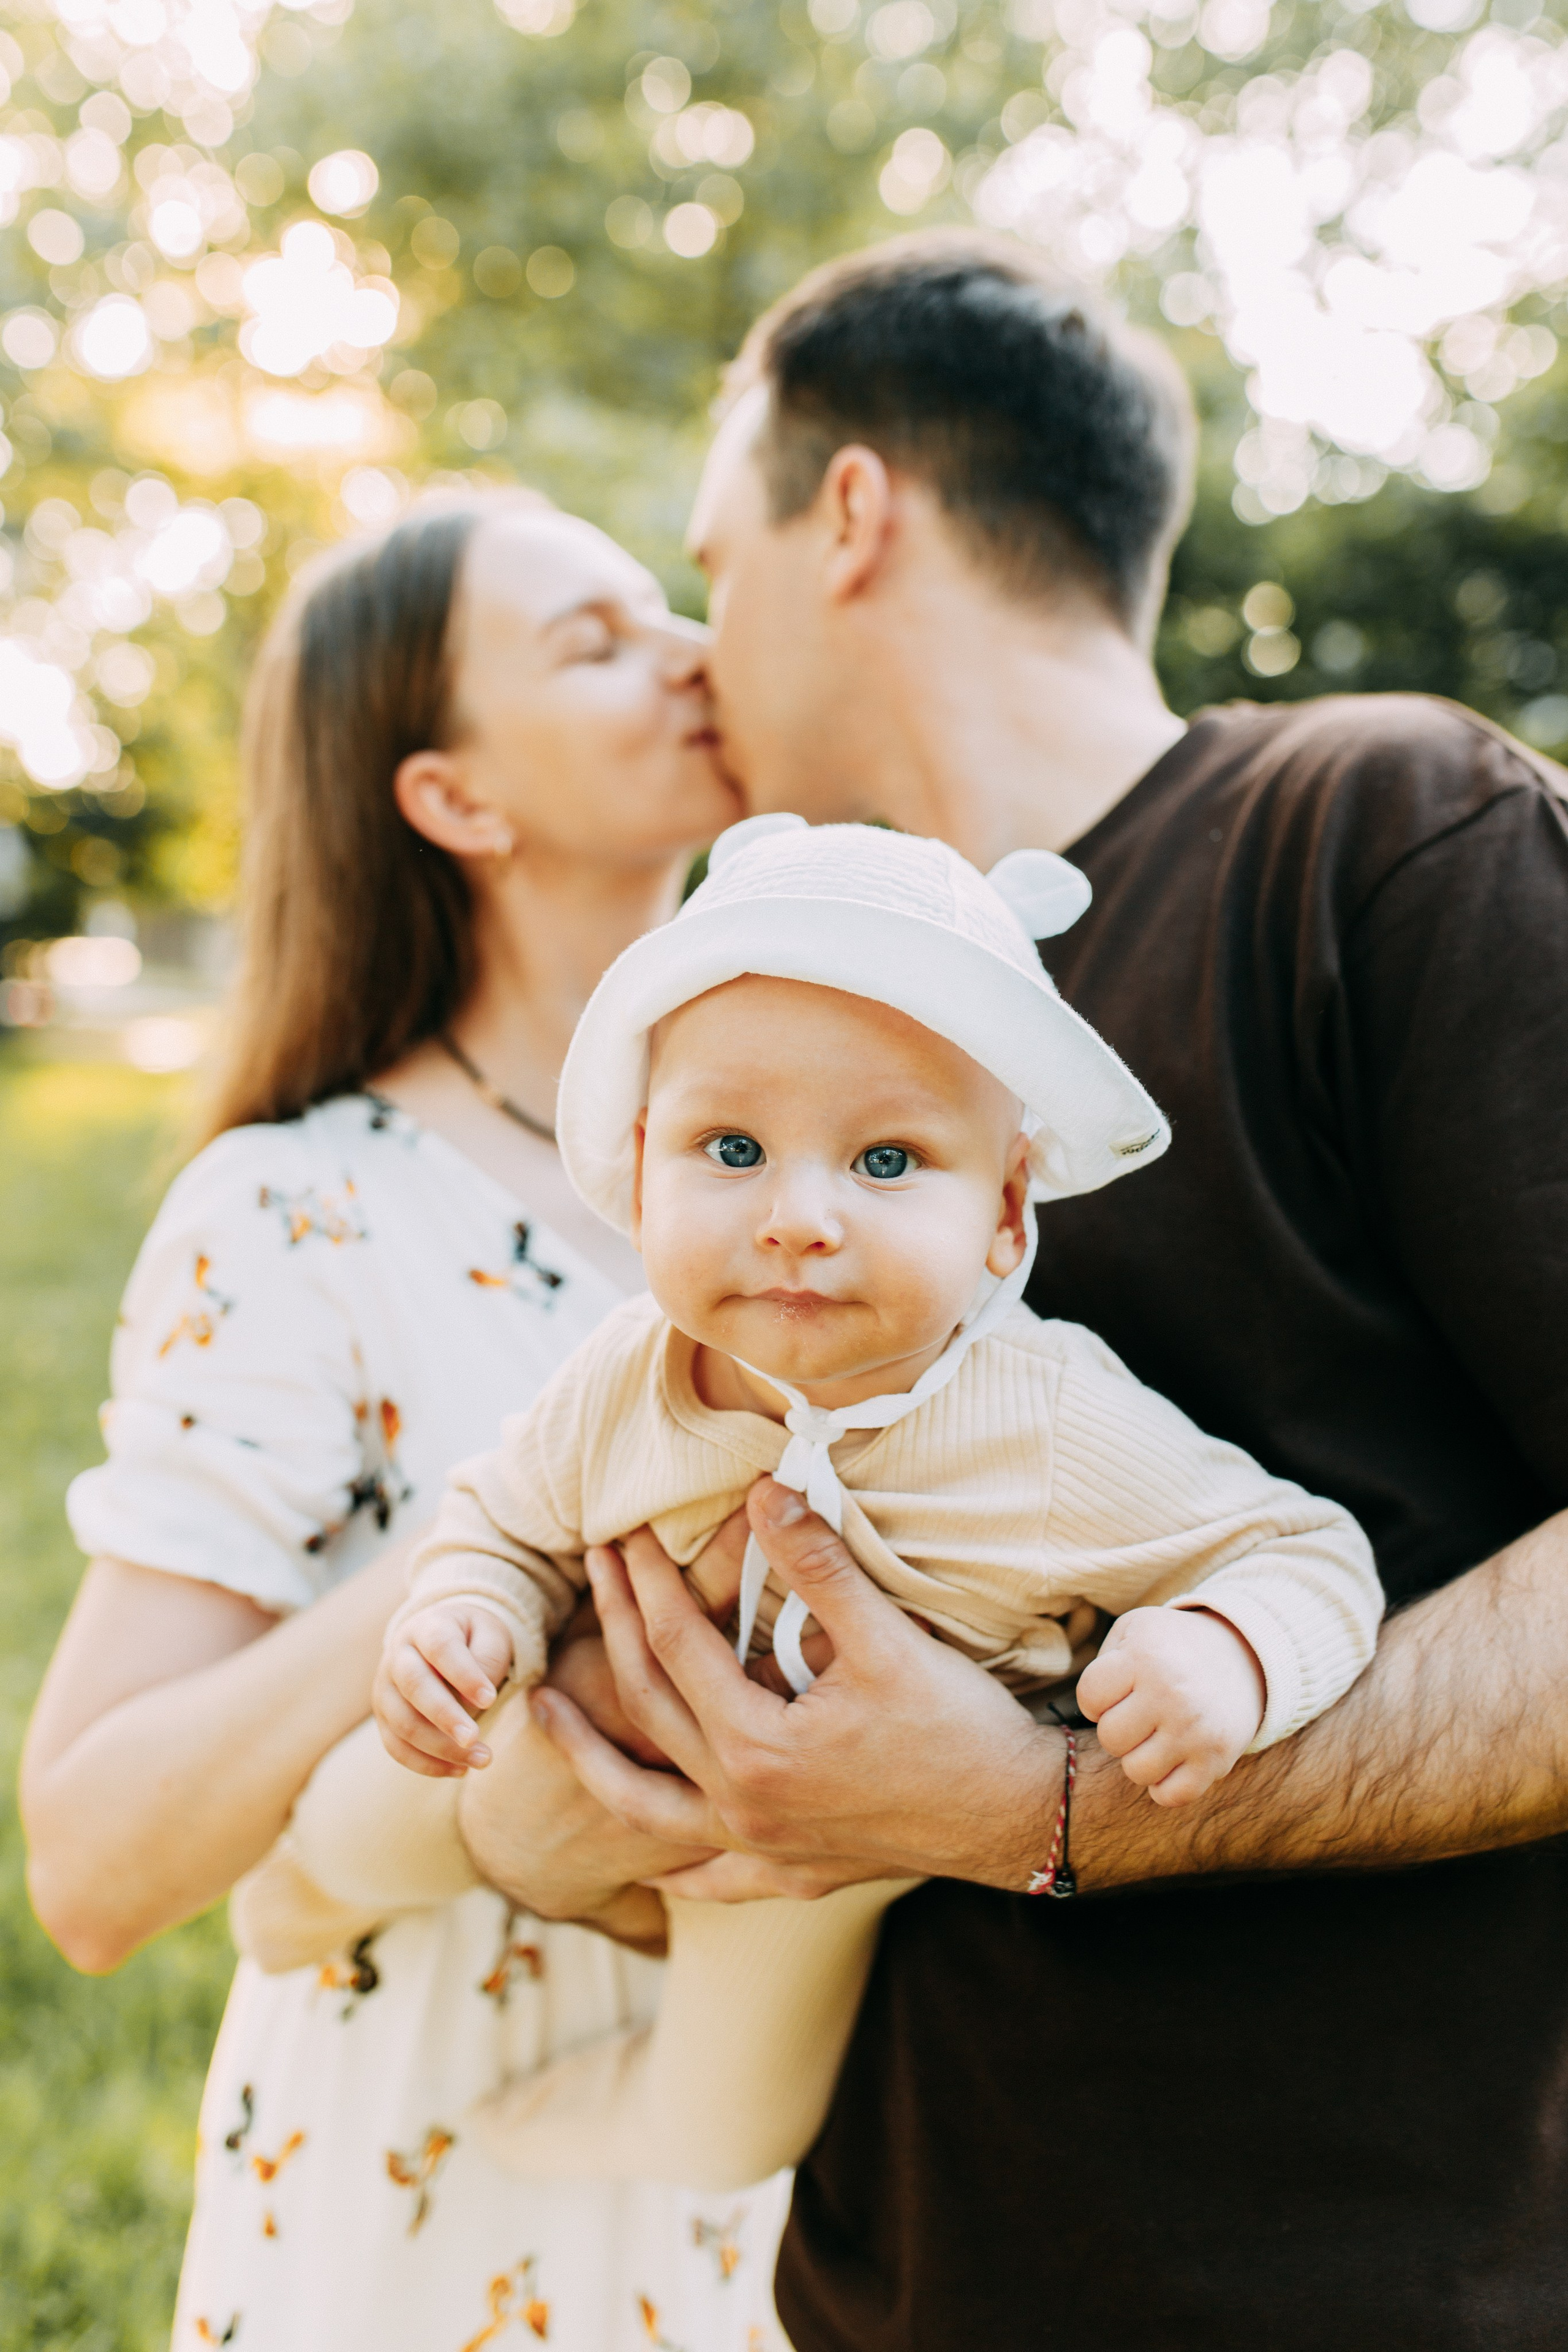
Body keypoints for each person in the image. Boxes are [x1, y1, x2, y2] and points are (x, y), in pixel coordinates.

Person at [492, 233, 1568, 2350]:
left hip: (1352, 2289)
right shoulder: (777, 1033)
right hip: (895, 2279)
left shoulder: (1379, 834)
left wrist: (1057, 1808)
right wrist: (581, 1791)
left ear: (853, 513)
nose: (698, 653)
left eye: (712, 561)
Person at [18, 491, 793, 2352]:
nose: (690, 645)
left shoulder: (827, 1168)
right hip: (436, 2183)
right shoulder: (298, 1211)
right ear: (456, 800)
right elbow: (91, 1865)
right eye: (593, 640)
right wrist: (494, 1543)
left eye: (663, 603)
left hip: (778, 2167)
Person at [374, 813, 1381, 2195]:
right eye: (729, 1150)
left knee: (729, 2132)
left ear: (1007, 1215)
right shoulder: (628, 1374)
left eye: (886, 1162)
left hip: (841, 1847)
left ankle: (577, 2135)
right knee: (367, 1803)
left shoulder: (1052, 1426)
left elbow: (1304, 1553)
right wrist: (465, 1615)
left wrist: (1225, 1652)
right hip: (581, 1742)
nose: (796, 1216)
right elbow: (506, 1518)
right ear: (638, 1155)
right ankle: (304, 1893)